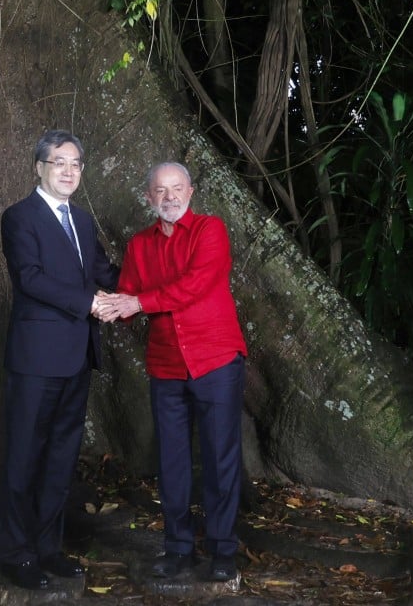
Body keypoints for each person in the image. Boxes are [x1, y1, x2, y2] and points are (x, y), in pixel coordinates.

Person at [96, 161, 247, 582]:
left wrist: (138, 303)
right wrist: (99, 302)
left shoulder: (209, 230)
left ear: (191, 191)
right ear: (149, 198)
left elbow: (198, 283)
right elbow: (125, 297)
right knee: (173, 462)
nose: (170, 197)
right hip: (166, 366)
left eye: (176, 188)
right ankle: (178, 548)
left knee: (219, 459)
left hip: (216, 360)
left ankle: (222, 552)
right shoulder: (139, 246)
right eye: (160, 191)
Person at [0, 129, 120, 590]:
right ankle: (16, 552)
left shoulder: (83, 222)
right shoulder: (19, 217)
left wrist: (141, 293)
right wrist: (91, 303)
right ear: (39, 167)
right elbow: (30, 279)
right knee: (24, 456)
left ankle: (48, 549)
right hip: (35, 360)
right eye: (59, 162)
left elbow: (105, 273)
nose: (69, 171)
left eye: (76, 164)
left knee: (61, 459)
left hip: (77, 359)